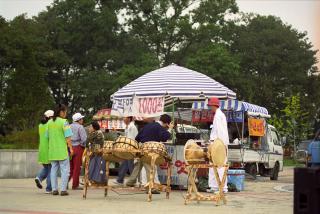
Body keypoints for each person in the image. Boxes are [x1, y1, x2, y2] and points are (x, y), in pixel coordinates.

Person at [125, 114, 173, 194]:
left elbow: (137, 138)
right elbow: (165, 137)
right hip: (149, 150)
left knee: (138, 165)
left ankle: (130, 182)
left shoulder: (148, 125)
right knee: (150, 168)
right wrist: (170, 129)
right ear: (166, 123)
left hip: (141, 147)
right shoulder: (159, 127)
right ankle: (150, 188)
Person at [47, 104, 73, 196]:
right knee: (65, 170)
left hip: (52, 151)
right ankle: (63, 190)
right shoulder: (64, 122)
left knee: (53, 170)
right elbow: (68, 137)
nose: (66, 113)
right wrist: (70, 148)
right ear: (61, 112)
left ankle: (54, 189)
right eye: (65, 111)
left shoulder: (49, 123)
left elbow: (47, 136)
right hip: (62, 150)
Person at [207, 97, 229, 193]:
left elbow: (221, 132)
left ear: (213, 105)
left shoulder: (218, 116)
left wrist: (219, 145)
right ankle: (214, 186)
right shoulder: (218, 115)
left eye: (210, 106)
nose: (210, 108)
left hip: (219, 143)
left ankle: (222, 187)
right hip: (217, 143)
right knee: (213, 165)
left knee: (220, 166)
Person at [114, 116, 138, 185]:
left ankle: (132, 181)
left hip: (131, 148)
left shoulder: (132, 127)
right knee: (124, 164)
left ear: (129, 119)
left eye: (125, 118)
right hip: (127, 147)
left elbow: (131, 139)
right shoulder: (128, 127)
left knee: (130, 165)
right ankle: (120, 180)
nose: (123, 119)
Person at [35, 110, 54, 194]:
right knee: (51, 169)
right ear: (50, 117)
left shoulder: (40, 126)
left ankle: (39, 178)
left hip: (42, 149)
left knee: (46, 168)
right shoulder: (49, 125)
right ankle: (49, 188)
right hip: (49, 149)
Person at [69, 112, 87, 190]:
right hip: (78, 148)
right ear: (79, 120)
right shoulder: (80, 127)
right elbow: (84, 139)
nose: (82, 120)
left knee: (69, 167)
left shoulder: (68, 126)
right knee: (77, 167)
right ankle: (75, 185)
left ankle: (65, 183)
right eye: (81, 119)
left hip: (69, 147)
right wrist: (83, 146)